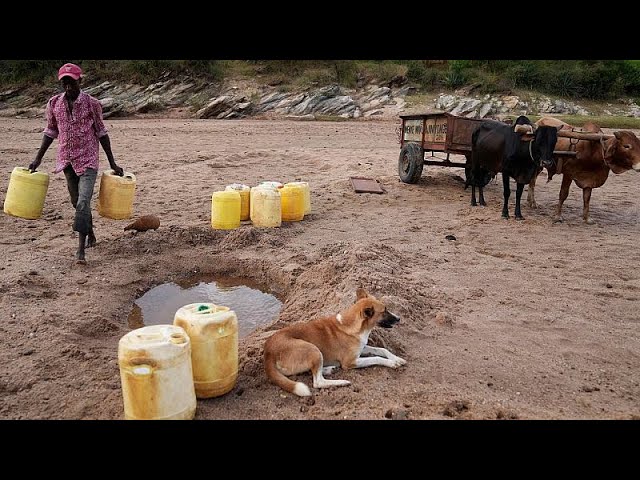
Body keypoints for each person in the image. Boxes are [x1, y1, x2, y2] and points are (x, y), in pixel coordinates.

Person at [28, 62, 124, 264]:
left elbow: (101, 133)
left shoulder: (92, 104)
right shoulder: (54, 104)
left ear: (80, 80)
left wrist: (113, 163)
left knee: (83, 202)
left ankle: (80, 251)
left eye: (71, 82)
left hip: (88, 160)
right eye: (64, 83)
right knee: (76, 202)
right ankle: (91, 232)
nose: (68, 87)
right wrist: (37, 159)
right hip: (66, 160)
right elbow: (50, 132)